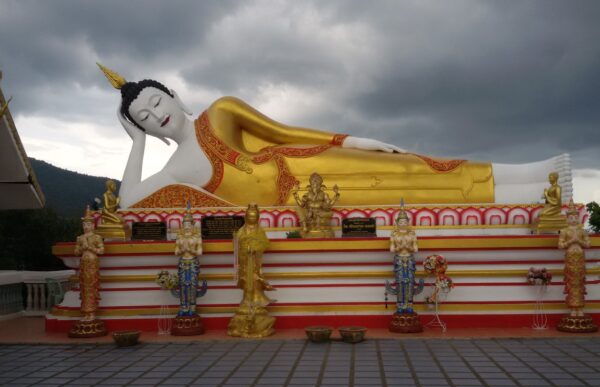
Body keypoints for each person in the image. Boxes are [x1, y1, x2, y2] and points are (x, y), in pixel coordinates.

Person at [98, 64, 573, 208]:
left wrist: (351, 141)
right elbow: (128, 201)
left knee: (408, 165)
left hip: (311, 163)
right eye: (143, 118)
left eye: (156, 101)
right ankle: (534, 197)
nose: (155, 116)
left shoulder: (220, 112)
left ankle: (529, 175)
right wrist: (136, 145)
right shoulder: (176, 169)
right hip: (303, 205)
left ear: (172, 94)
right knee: (406, 197)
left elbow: (284, 132)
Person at [228, 203, 276, 338]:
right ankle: (246, 303)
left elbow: (265, 244)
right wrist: (242, 247)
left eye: (254, 217)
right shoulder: (241, 231)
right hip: (245, 262)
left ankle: (256, 304)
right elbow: (237, 245)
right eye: (250, 216)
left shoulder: (260, 231)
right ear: (246, 217)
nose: (252, 219)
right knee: (246, 282)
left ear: (258, 218)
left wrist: (255, 249)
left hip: (254, 261)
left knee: (255, 282)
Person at [386, 207, 422, 314]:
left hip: (409, 260)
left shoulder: (412, 234)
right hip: (399, 260)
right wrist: (400, 247)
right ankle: (400, 305)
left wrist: (408, 247)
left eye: (405, 222)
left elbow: (416, 249)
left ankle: (410, 304)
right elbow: (392, 249)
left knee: (410, 282)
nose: (403, 224)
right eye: (401, 222)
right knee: (400, 282)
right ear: (397, 222)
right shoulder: (394, 234)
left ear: (408, 222)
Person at [558, 199, 591, 317]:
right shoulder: (564, 231)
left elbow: (588, 244)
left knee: (580, 283)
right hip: (570, 259)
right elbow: (560, 245)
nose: (573, 219)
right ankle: (573, 308)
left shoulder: (582, 231)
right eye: (571, 217)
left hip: (580, 258)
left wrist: (579, 241)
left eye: (576, 217)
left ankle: (580, 308)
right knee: (571, 283)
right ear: (567, 219)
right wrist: (572, 241)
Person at [74, 207, 105, 321]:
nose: (86, 227)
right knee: (84, 288)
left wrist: (90, 248)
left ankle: (92, 313)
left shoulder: (97, 237)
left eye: (88, 224)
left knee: (91, 287)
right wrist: (82, 248)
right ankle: (86, 313)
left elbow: (101, 251)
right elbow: (76, 252)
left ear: (93, 225)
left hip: (92, 264)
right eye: (84, 225)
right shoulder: (80, 238)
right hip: (84, 265)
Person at [174, 208, 204, 317]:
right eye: (185, 224)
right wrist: (182, 250)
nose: (187, 227)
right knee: (183, 285)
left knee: (192, 285)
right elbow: (176, 252)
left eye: (189, 224)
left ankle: (192, 307)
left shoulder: (197, 237)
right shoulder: (180, 237)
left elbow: (200, 252)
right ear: (182, 225)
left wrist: (191, 250)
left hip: (193, 263)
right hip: (183, 263)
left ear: (192, 225)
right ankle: (183, 307)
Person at [293, 172, 339, 237]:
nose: (315, 186)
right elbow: (301, 205)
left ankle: (320, 227)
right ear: (310, 185)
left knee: (330, 213)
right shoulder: (307, 194)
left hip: (320, 213)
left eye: (317, 185)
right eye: (313, 184)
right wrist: (296, 195)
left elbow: (329, 206)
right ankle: (304, 224)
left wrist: (336, 195)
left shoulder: (324, 194)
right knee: (298, 208)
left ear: (321, 185)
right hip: (309, 213)